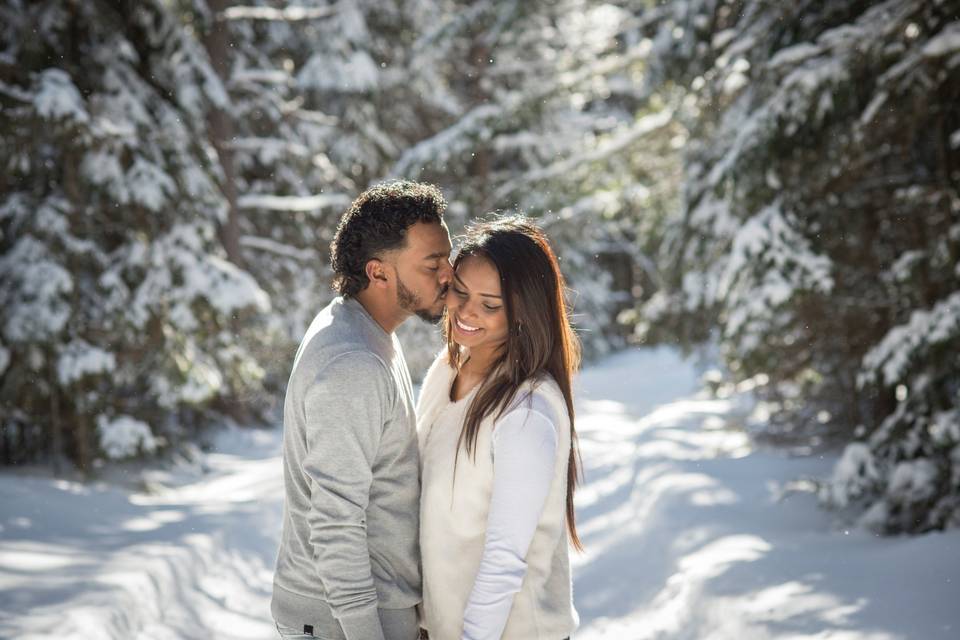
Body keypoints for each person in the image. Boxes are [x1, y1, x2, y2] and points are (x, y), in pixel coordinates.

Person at [271, 181, 454, 640]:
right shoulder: (353, 363)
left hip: (361, 613)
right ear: (379, 273)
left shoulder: (360, 327)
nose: (449, 274)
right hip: (348, 620)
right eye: (432, 264)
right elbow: (335, 523)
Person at [417, 216, 582, 640]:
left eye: (491, 305)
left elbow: (505, 559)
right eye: (461, 292)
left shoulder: (526, 411)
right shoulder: (447, 370)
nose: (468, 312)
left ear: (524, 311)